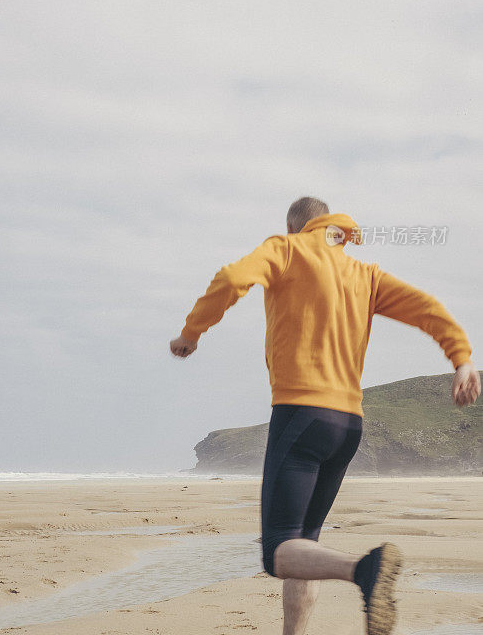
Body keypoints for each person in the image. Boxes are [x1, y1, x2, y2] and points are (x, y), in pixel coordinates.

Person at [169, 196, 480, 635]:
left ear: (296, 228)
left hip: (301, 415)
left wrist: (191, 332)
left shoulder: (287, 248)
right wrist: (462, 358)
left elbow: (232, 277)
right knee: (303, 546)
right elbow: (426, 307)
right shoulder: (364, 274)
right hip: (348, 425)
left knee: (278, 549)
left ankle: (363, 570)